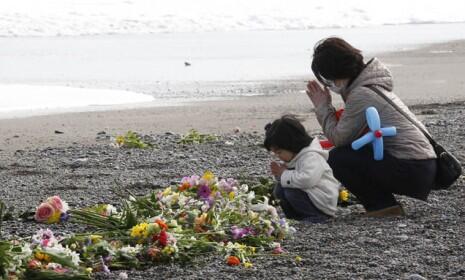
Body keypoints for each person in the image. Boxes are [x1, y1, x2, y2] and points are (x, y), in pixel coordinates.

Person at [306, 37, 437, 217]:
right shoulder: (370, 85)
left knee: (338, 158)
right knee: (347, 154)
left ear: (337, 73)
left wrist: (323, 107)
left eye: (329, 80)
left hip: (413, 169)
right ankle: (383, 205)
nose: (329, 85)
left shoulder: (362, 94)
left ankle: (382, 206)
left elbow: (338, 138)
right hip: (422, 166)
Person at [264, 115, 340, 222]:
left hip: (322, 201)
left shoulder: (311, 156)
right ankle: (295, 216)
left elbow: (307, 180)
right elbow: (290, 179)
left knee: (291, 192)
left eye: (279, 152)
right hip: (310, 195)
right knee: (280, 190)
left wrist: (284, 174)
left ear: (291, 145)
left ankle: (316, 216)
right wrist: (279, 174)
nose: (278, 156)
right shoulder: (294, 156)